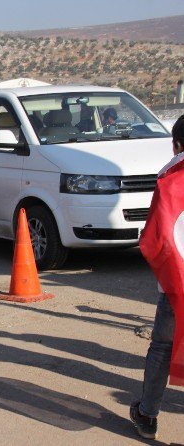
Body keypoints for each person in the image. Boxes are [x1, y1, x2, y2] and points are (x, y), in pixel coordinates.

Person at [130, 114, 184, 440]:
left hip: (176, 285)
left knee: (162, 348)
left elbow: (157, 236)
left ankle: (147, 415)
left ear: (176, 144)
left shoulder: (170, 175)